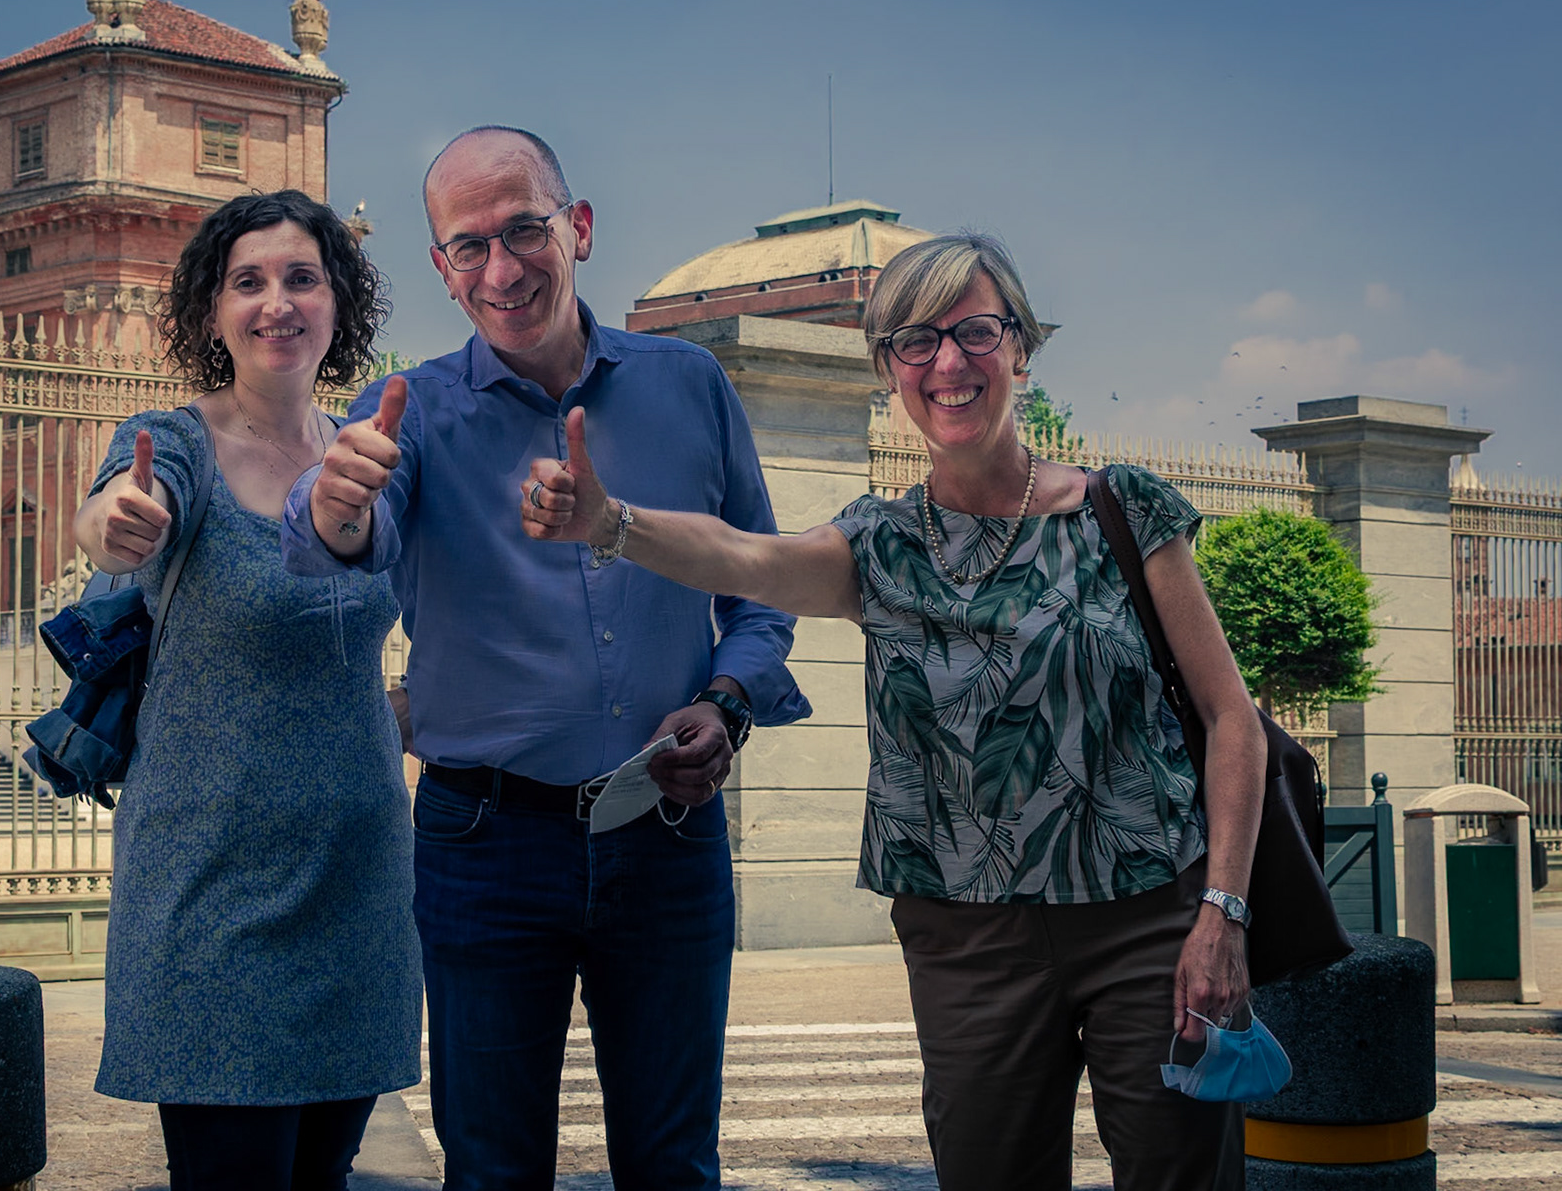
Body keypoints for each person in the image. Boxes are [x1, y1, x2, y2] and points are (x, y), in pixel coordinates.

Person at [519, 232, 1264, 1191]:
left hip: (1148, 921)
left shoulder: (1122, 511)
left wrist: (1223, 915)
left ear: (1022, 349)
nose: (948, 363)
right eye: (915, 341)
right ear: (887, 371)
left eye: (975, 332)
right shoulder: (879, 545)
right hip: (965, 943)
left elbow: (1230, 718)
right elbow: (743, 556)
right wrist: (612, 524)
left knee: (1181, 1178)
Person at [279, 126, 810, 1190]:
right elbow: (341, 539)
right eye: (467, 246)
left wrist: (725, 699)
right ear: (441, 269)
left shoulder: (690, 384)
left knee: (672, 1166)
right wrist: (330, 505)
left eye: (524, 228)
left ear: (579, 227)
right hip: (483, 844)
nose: (503, 267)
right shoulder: (411, 412)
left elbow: (761, 586)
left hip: (665, 833)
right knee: (490, 1169)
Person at [73, 190, 421, 1190]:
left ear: (338, 302)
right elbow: (116, 509)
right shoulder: (173, 442)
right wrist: (119, 520)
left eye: (302, 277)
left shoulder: (365, 450)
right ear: (213, 309)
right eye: (249, 281)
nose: (278, 301)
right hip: (213, 896)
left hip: (357, 888)